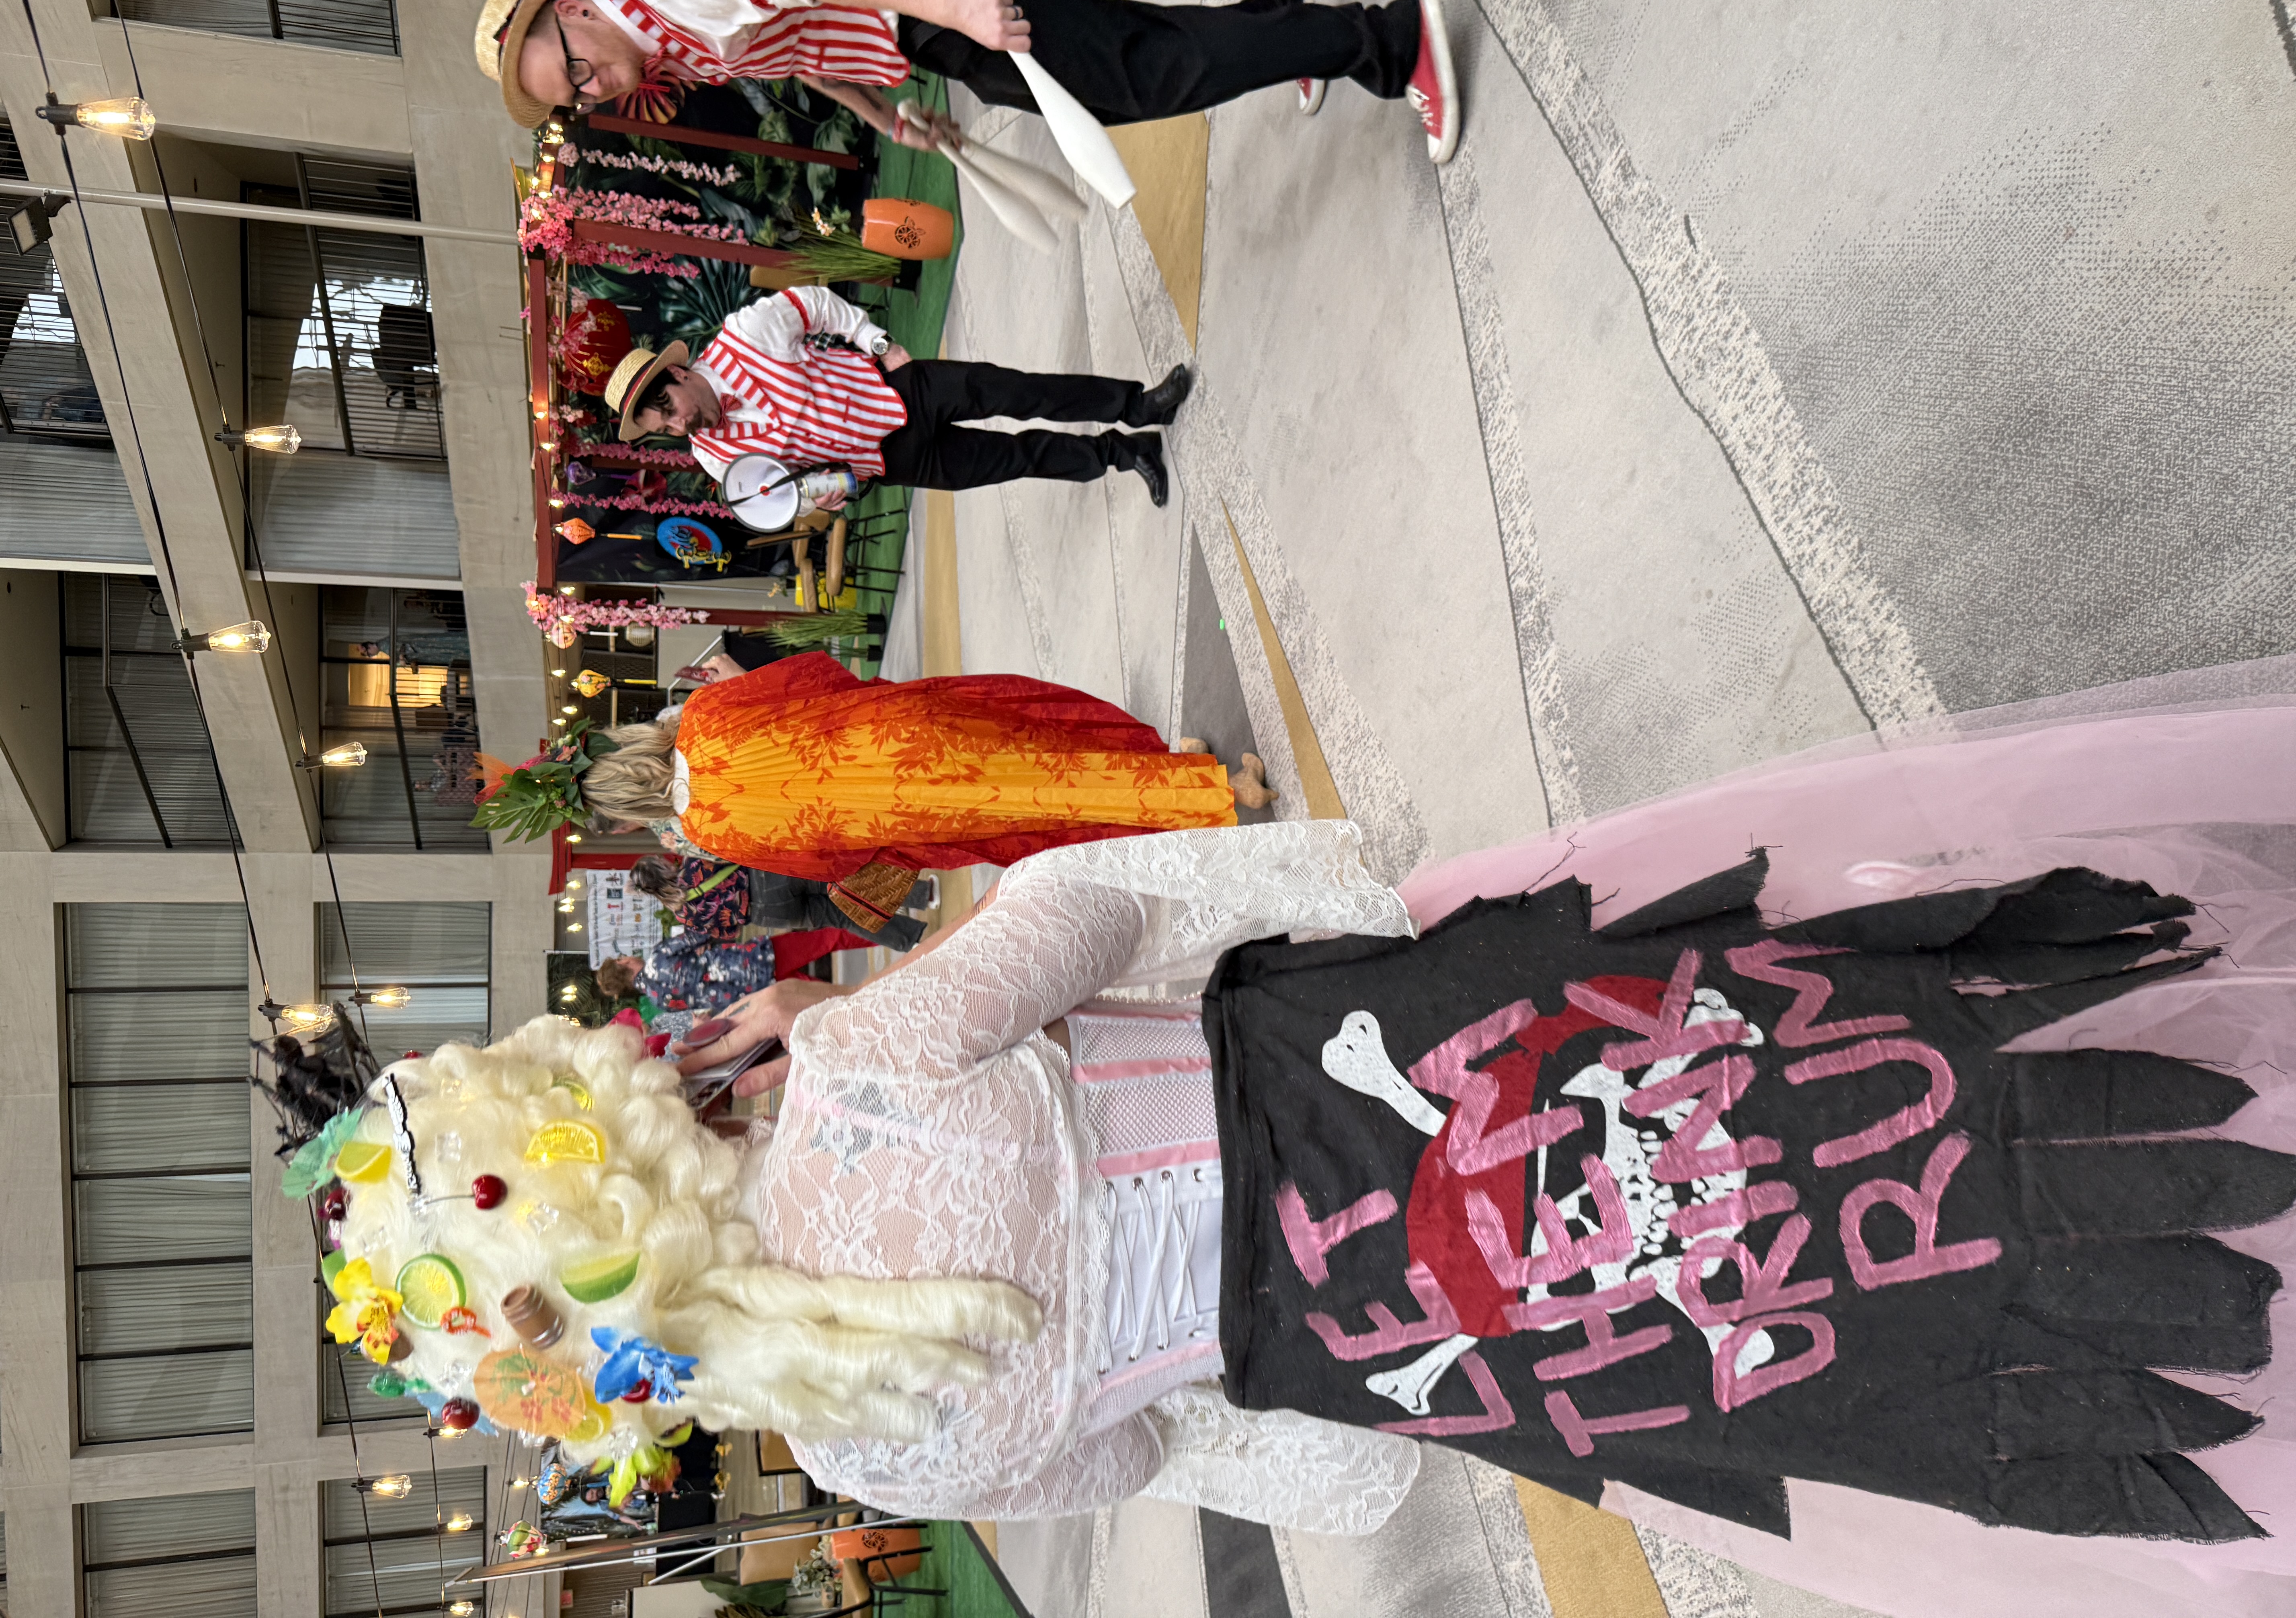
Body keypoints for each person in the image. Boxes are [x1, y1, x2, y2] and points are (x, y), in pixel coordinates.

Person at [320, 672, 2296, 1612]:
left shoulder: (861, 1441)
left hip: (1461, 1329)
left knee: (1833, 1303)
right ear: (599, 1124)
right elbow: (1082, 918)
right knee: (1835, 1040)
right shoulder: (860, 1072)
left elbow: (1112, 1446)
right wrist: (852, 994)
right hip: (1430, 1072)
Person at [474, 0, 1458, 162]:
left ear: (568, 13)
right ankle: (1277, 26)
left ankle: (1388, 40)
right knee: (1124, 64)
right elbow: (787, 40)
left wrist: (955, 7)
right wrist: (887, 118)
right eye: (582, 104)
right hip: (920, 26)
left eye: (577, 75)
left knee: (1137, 76)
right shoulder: (651, 36)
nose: (598, 91)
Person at [474, 651, 1271, 934]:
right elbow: (815, 675)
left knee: (1046, 809)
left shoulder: (711, 836)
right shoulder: (708, 715)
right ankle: (1215, 791)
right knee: (1048, 743)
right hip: (899, 730)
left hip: (904, 812)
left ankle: (1184, 779)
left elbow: (827, 860)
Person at [601, 287, 1186, 509]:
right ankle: (1124, 453)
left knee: (1025, 392)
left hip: (900, 388)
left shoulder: (743, 336)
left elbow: (815, 306)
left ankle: (1139, 406)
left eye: (669, 412)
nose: (678, 429)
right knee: (1017, 460)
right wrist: (823, 497)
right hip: (890, 462)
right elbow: (782, 492)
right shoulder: (711, 455)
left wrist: (879, 343)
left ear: (675, 378)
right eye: (663, 429)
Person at [628, 850, 931, 952]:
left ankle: (912, 940)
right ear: (661, 866)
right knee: (846, 884)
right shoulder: (694, 866)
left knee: (843, 918)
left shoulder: (685, 917)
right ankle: (922, 894)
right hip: (767, 879)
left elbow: (727, 933)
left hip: (769, 917)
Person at [594, 924, 865, 1014]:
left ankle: (880, 992)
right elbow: (700, 934)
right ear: (624, 964)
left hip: (758, 994)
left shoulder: (659, 1001)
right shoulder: (658, 958)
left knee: (832, 996)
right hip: (752, 962)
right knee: (830, 939)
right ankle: (891, 934)